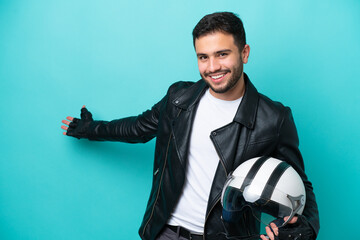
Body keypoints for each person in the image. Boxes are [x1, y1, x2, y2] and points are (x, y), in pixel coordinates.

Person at [61, 12, 319, 240]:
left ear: (244, 53)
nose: (212, 67)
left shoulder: (274, 118)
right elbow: (138, 128)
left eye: (222, 54)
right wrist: (88, 128)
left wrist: (305, 228)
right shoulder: (178, 98)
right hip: (166, 232)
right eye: (203, 57)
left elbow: (299, 184)